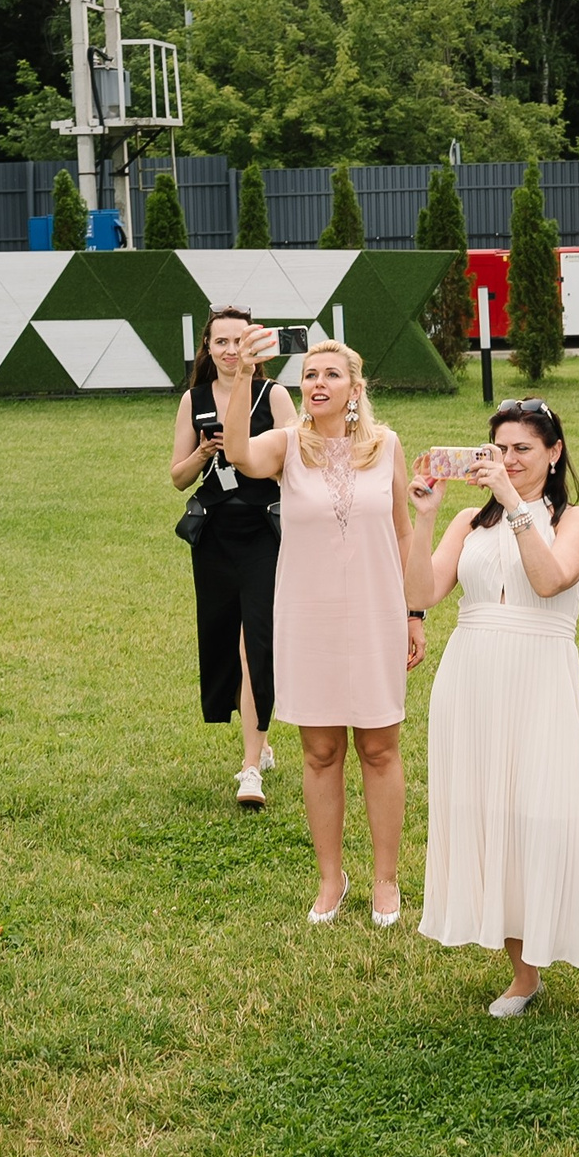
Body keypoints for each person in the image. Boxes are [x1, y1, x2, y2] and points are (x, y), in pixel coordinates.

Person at [404, 399, 579, 1018]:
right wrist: (426, 518)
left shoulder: (577, 519)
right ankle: (522, 974)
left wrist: (516, 506)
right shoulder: (469, 520)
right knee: (495, 815)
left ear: (553, 452)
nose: (508, 461)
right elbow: (421, 592)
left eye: (521, 449)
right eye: (499, 449)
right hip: (472, 675)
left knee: (562, 814)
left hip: (541, 675)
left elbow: (550, 579)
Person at [229, 335, 423, 927]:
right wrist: (243, 375)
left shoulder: (386, 446)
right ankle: (330, 879)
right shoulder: (288, 444)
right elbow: (237, 451)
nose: (317, 383)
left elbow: (403, 533)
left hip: (375, 613)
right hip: (307, 617)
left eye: (331, 375)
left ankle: (385, 880)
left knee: (380, 747)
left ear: (353, 389)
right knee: (319, 751)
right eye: (309, 374)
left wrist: (414, 613)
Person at [170, 306, 296, 809]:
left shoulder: (276, 395)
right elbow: (178, 476)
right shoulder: (194, 399)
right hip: (216, 536)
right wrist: (203, 453)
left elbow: (297, 461)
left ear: (255, 347)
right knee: (226, 642)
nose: (229, 351)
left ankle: (250, 768)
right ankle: (259, 743)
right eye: (220, 342)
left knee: (255, 645)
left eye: (239, 342)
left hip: (266, 534)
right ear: (208, 347)